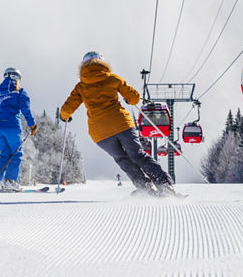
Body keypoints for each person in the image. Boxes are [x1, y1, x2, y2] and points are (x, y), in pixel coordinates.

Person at [59, 52, 176, 196]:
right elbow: (134, 98)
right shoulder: (112, 78)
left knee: (122, 159)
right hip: (122, 125)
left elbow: (67, 109)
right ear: (102, 63)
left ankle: (143, 186)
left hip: (100, 134)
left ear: (83, 67)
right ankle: (164, 185)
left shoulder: (81, 87)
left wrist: (64, 117)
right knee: (138, 155)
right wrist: (129, 100)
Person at [0, 67, 38, 192]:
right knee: (16, 153)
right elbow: (26, 110)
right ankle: (10, 182)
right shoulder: (19, 92)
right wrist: (32, 125)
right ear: (17, 78)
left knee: (4, 154)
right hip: (12, 126)